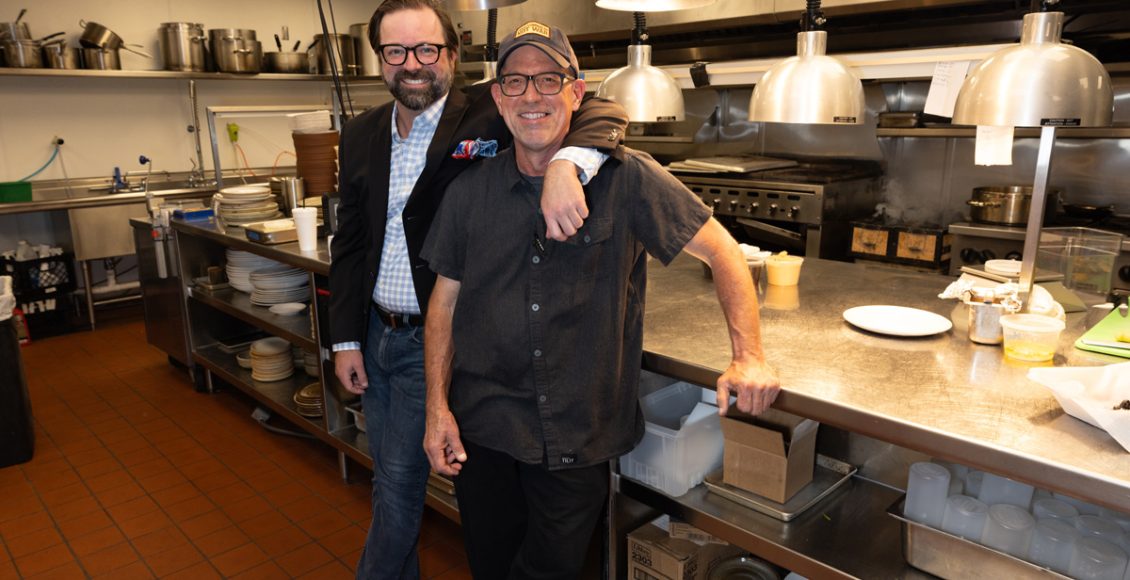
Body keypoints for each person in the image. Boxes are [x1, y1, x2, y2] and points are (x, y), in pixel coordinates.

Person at [420, 21, 781, 580]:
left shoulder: (627, 179)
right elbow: (443, 307)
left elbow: (723, 252)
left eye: (548, 79)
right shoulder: (469, 193)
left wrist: (749, 355)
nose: (532, 96)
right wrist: (437, 409)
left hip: (576, 437)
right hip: (483, 435)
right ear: (498, 96)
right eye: (515, 82)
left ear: (576, 91)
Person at [328, 1, 628, 578]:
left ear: (452, 54)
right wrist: (344, 338)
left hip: (441, 338)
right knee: (390, 483)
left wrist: (566, 164)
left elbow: (600, 108)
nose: (412, 64)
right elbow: (351, 239)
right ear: (380, 59)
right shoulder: (361, 132)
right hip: (376, 332)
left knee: (397, 491)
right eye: (396, 51)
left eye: (426, 49)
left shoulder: (492, 110)